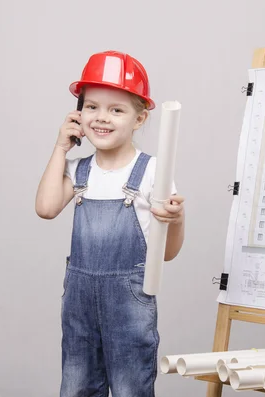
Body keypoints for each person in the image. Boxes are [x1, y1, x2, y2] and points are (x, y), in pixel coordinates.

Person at [35, 50, 185, 397]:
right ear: (79, 113)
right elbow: (45, 208)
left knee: (131, 388)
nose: (101, 118)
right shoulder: (79, 170)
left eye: (116, 109)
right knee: (77, 387)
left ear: (140, 118)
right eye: (92, 107)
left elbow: (168, 254)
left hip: (129, 306)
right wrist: (61, 146)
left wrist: (176, 220)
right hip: (79, 308)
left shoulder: (152, 173)